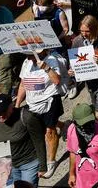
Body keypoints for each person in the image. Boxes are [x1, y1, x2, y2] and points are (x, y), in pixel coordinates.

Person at [16, 47, 68, 178]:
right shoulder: (26, 63)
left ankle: (51, 161)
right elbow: (23, 84)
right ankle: (64, 126)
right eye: (27, 55)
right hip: (33, 102)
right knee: (44, 124)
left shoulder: (51, 60)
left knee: (49, 131)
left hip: (50, 99)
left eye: (31, 55)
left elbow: (57, 80)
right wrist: (17, 104)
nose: (28, 58)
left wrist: (46, 68)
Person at [0, 94, 41, 185]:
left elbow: (39, 141)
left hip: (30, 163)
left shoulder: (26, 117)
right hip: (11, 165)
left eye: (3, 112)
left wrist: (43, 167)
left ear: (11, 106)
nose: (1, 116)